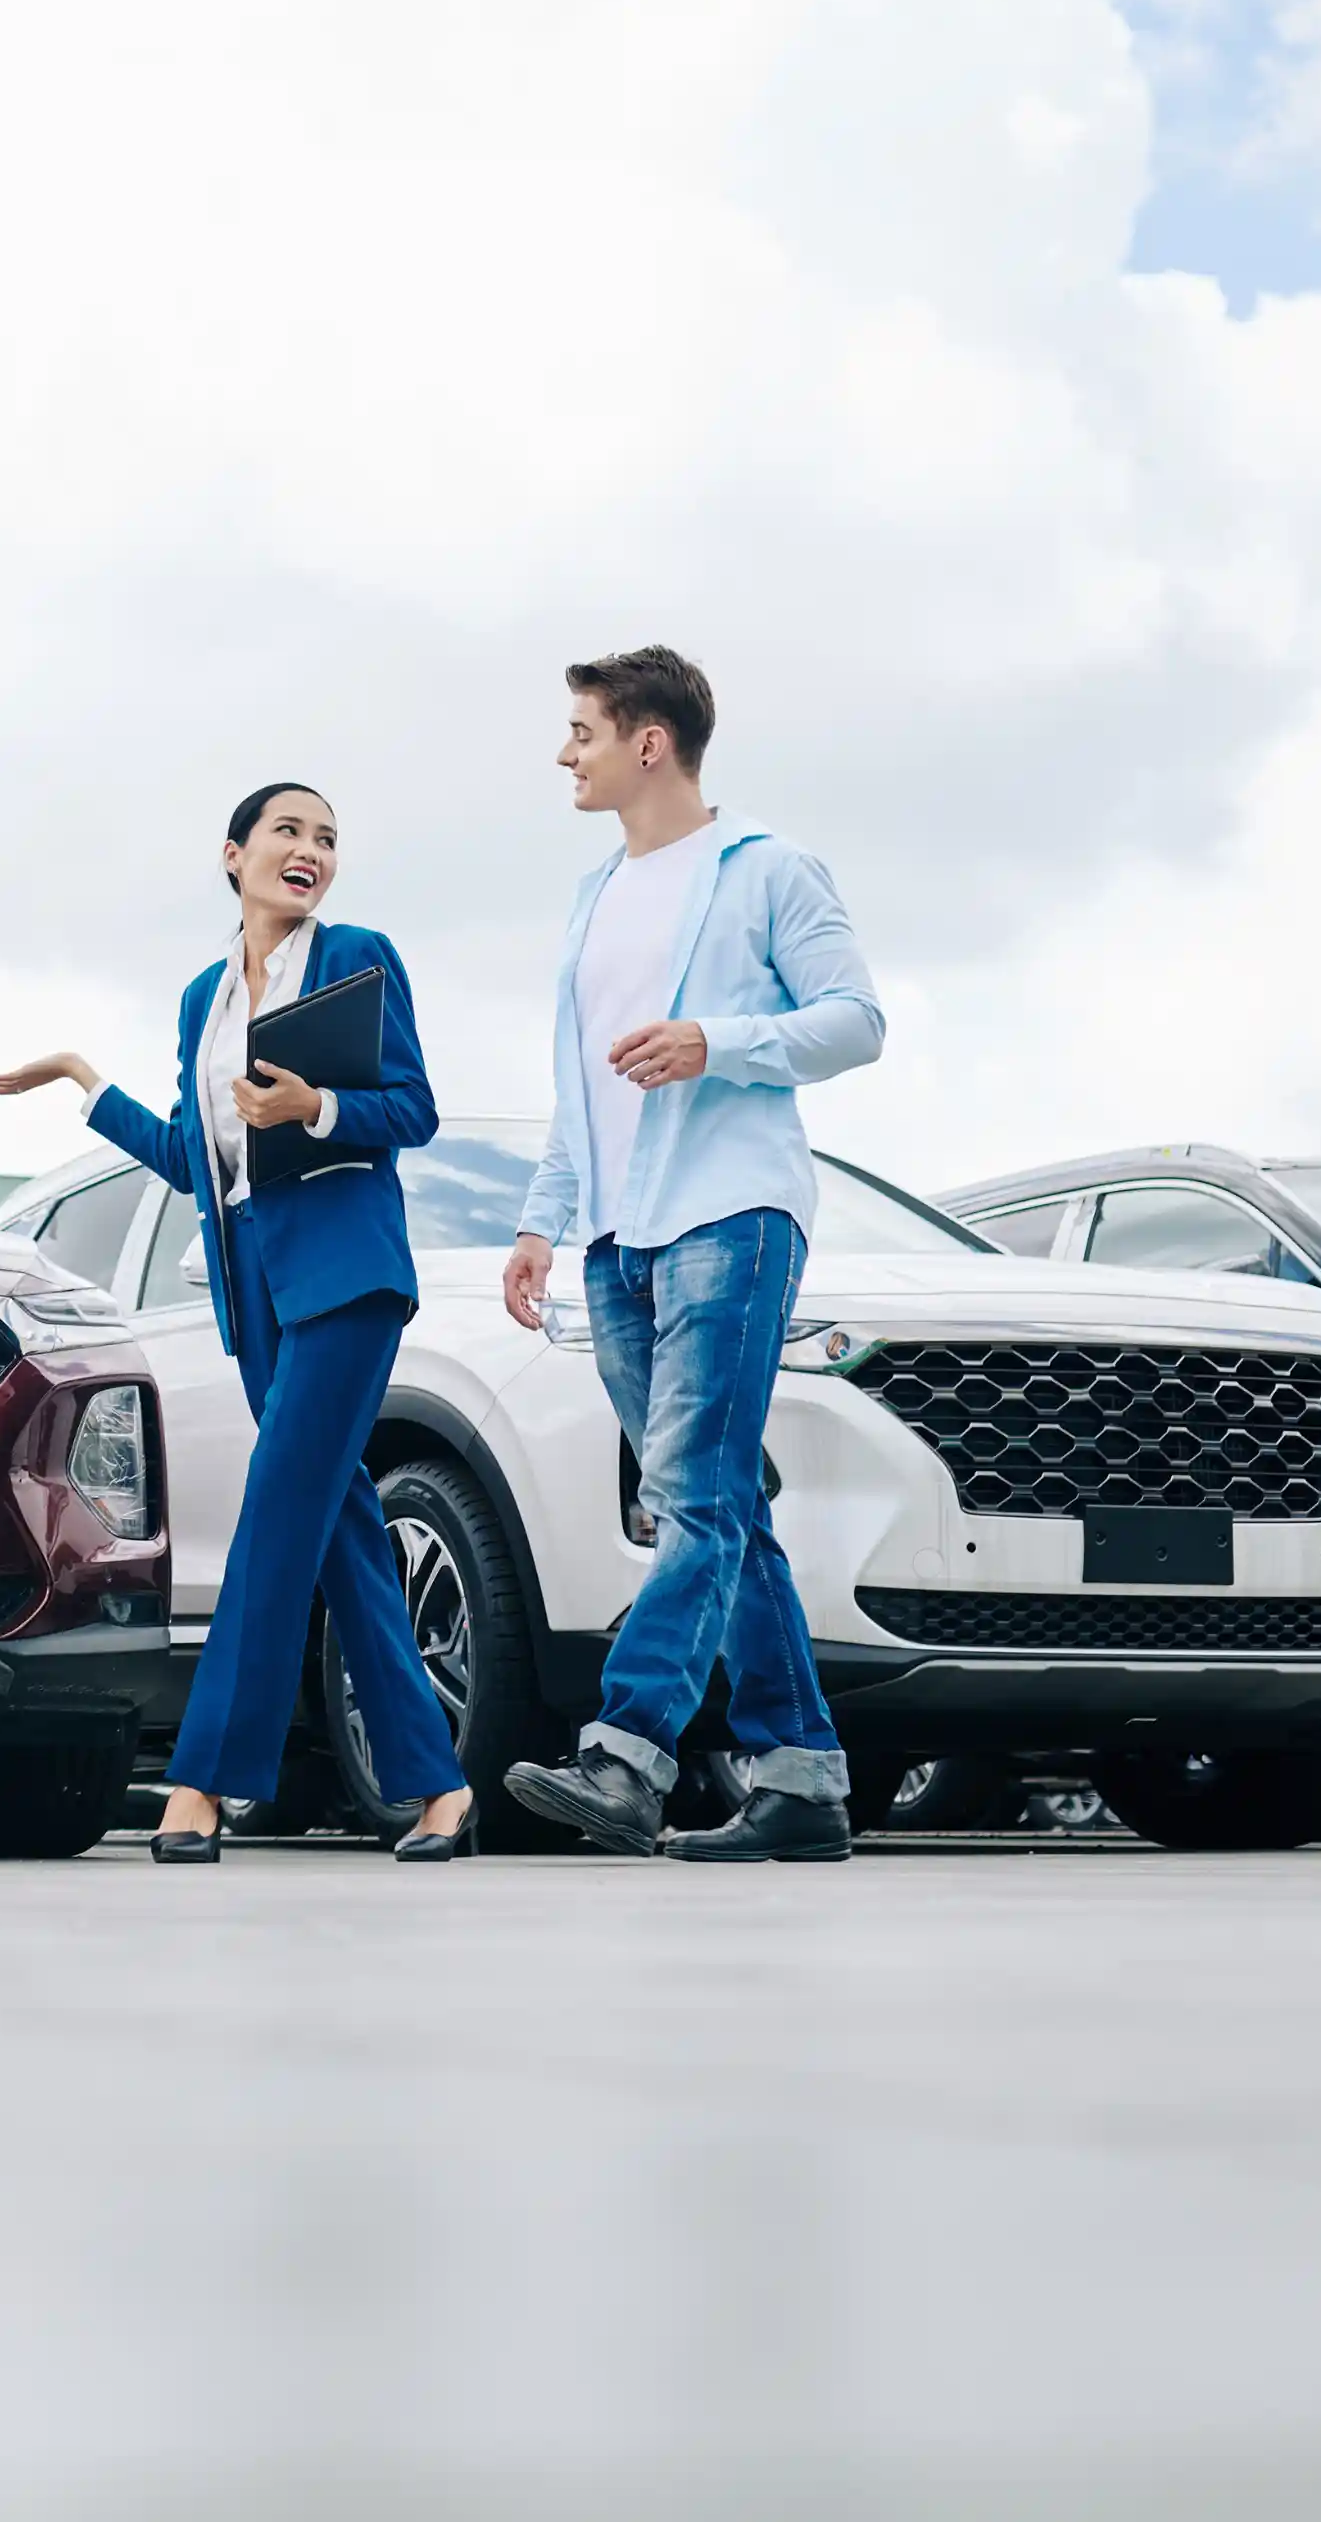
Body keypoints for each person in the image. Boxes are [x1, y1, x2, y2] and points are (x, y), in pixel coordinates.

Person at [0, 783, 474, 1865]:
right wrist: (84, 1081)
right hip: (253, 1289)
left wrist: (314, 1108)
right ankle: (438, 1787)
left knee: (278, 1512)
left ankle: (203, 1781)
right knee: (340, 1534)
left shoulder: (357, 956)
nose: (311, 851)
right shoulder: (202, 998)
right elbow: (193, 1161)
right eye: (288, 831)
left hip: (344, 1272)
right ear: (233, 854)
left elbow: (414, 1108)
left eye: (327, 838)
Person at [496, 647, 886, 1862]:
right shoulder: (594, 896)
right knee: (717, 1506)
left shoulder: (764, 869)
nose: (565, 754)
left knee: (695, 1496)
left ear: (648, 742)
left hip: (731, 1217)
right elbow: (581, 1085)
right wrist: (542, 1220)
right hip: (617, 1241)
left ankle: (627, 1753)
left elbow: (855, 1022)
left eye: (582, 732)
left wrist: (716, 1042)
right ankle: (801, 1781)